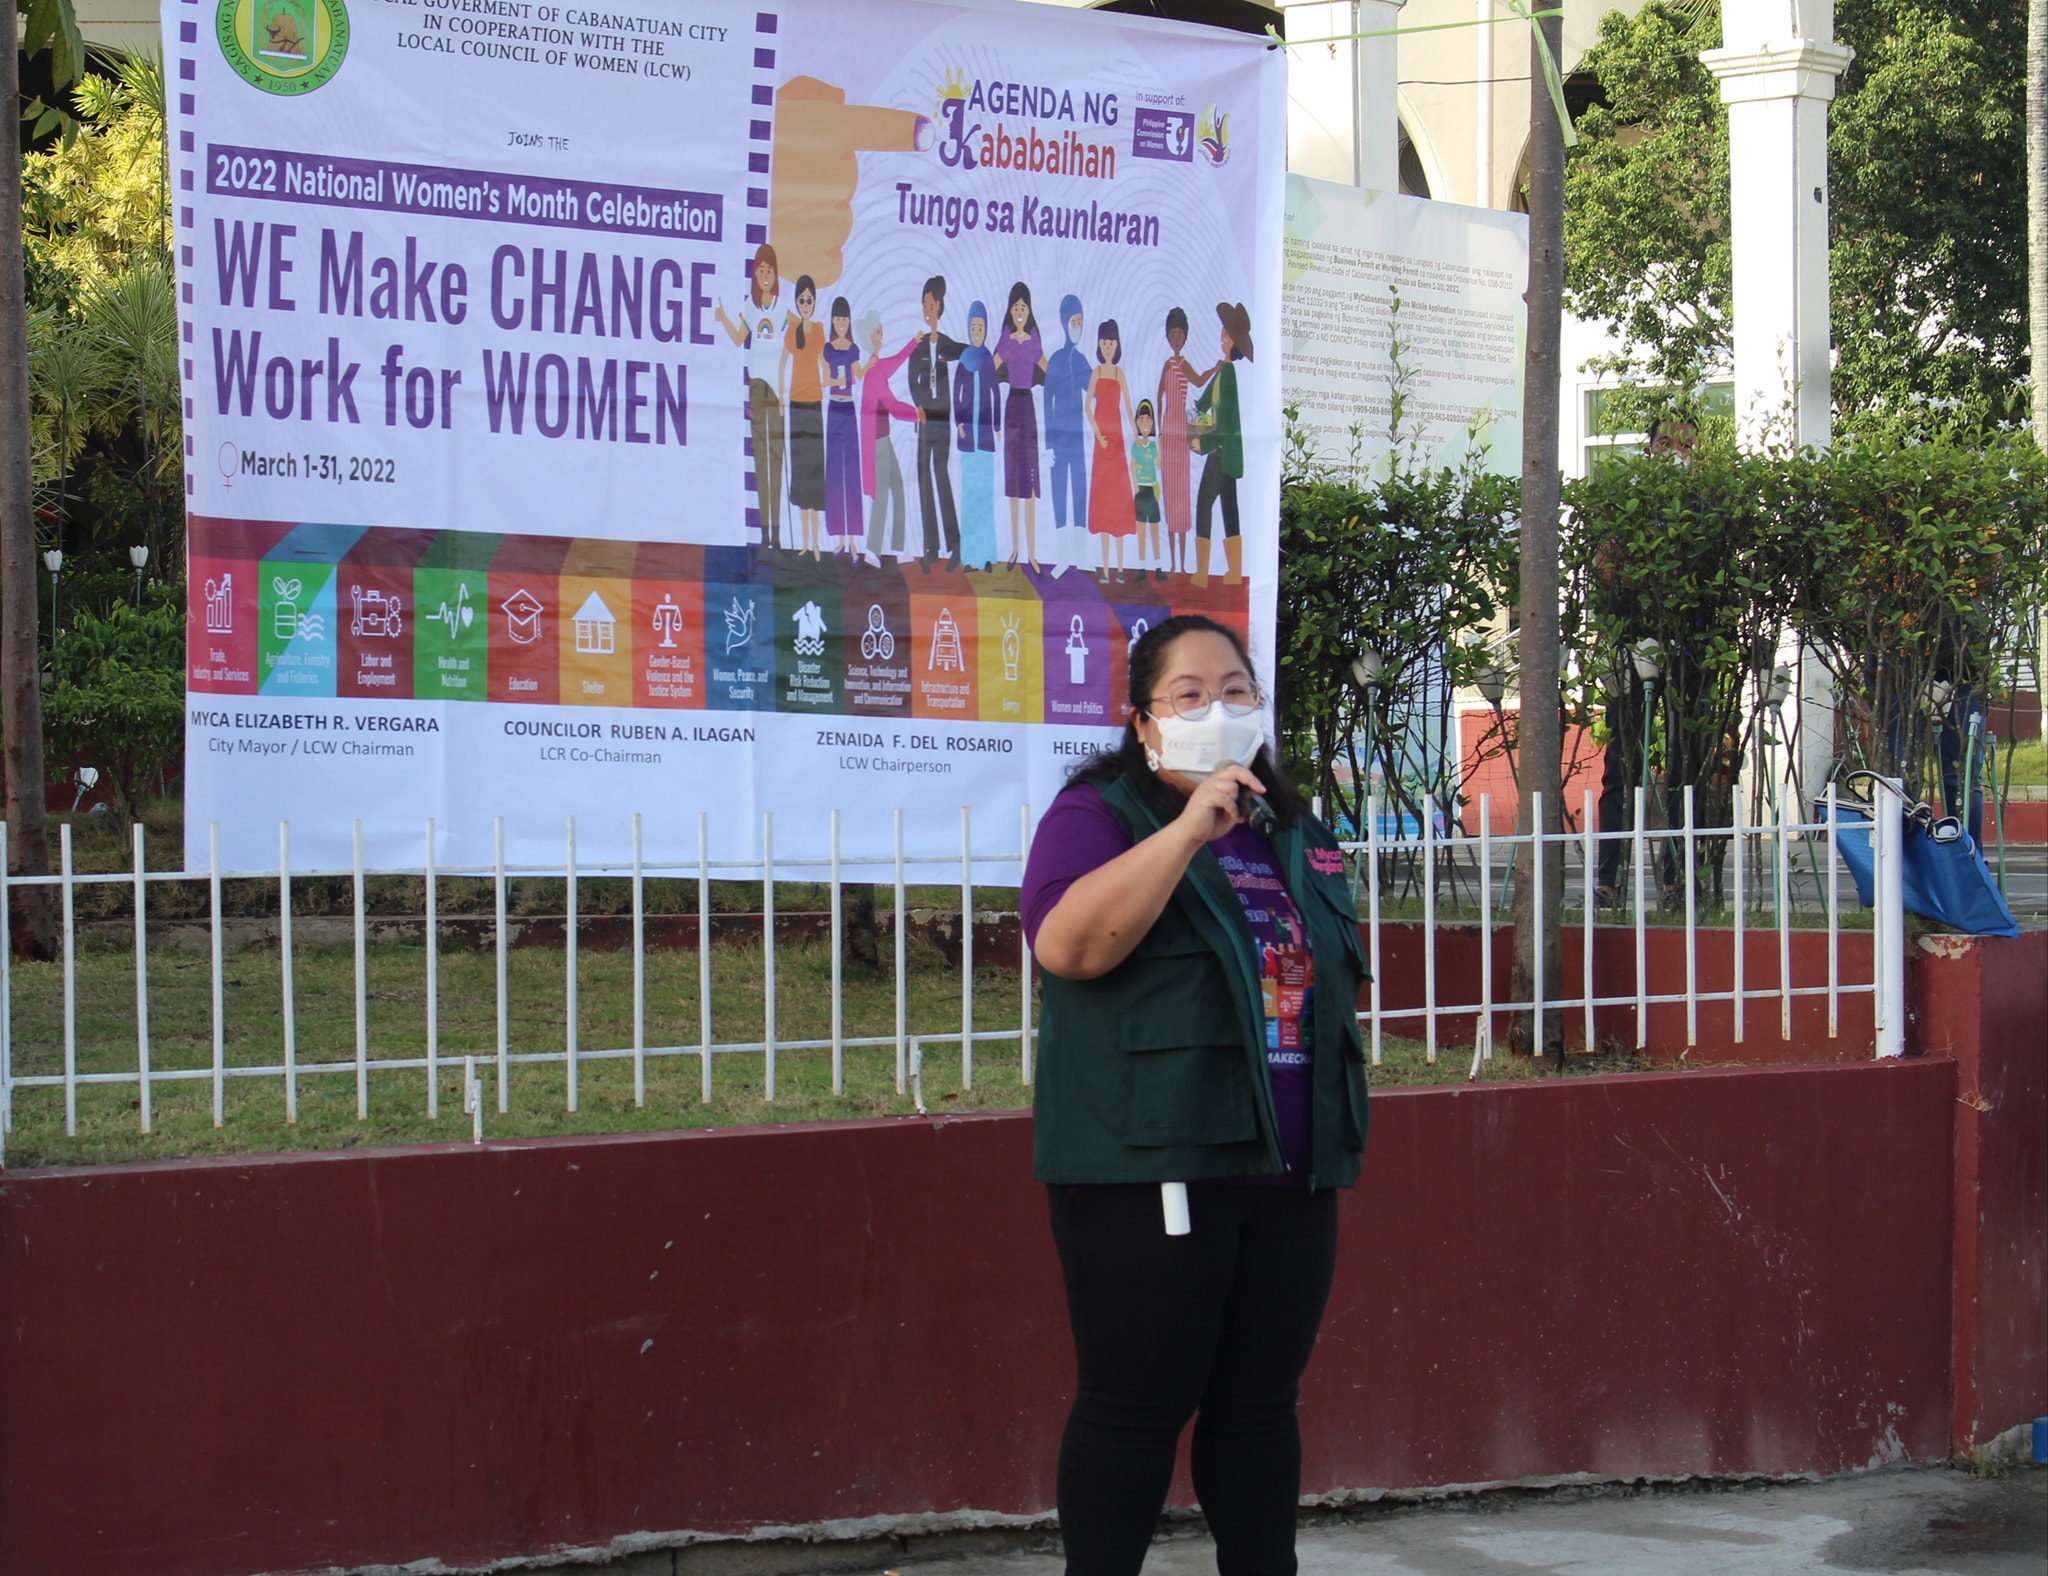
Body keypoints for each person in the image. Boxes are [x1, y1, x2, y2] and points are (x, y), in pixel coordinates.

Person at [1023, 613, 1371, 1576]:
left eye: (1236, 691)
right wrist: (1187, 829)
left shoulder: (1289, 830)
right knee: (1133, 1409)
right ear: (1142, 722)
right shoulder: (1098, 816)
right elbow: (1067, 946)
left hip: (1290, 1172)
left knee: (1260, 1410)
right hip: (1152, 1171)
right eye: (1188, 695)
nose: (1217, 709)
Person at [712, 243, 788, 551]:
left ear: (775, 273)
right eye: (760, 270)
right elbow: (739, 338)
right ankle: (765, 533)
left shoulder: (782, 308)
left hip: (777, 389)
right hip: (756, 386)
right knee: (761, 460)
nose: (765, 275)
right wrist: (723, 318)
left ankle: (776, 533)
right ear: (754, 274)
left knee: (776, 459)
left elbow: (798, 335)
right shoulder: (751, 306)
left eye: (769, 269)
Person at [1189, 302, 1251, 588]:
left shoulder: (1227, 376)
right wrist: (1194, 425)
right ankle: (1234, 573)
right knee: (1229, 508)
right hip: (1227, 455)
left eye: (1226, 333)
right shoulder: (1222, 371)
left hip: (1221, 453)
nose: (1221, 335)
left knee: (1205, 505)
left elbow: (1224, 426)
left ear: (1232, 340)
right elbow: (1202, 405)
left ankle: (1202, 574)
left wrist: (1203, 440)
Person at [907, 274, 965, 572]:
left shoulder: (944, 343)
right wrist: (918, 404)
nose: (926, 310)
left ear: (939, 306)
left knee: (941, 476)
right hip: (924, 420)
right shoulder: (917, 346)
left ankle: (955, 547)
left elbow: (966, 351)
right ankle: (930, 549)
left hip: (942, 420)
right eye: (923, 305)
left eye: (930, 304)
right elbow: (911, 378)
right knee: (923, 478)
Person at [856, 311, 920, 564]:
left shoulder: (877, 365)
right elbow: (893, 405)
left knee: (897, 490)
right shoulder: (872, 372)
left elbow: (897, 360)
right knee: (883, 495)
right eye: (879, 331)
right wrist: (918, 414)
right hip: (877, 442)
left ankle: (897, 547)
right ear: (870, 336)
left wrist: (914, 342)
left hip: (884, 439)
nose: (882, 335)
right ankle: (872, 550)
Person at [996, 281, 1047, 570]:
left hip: (1027, 405)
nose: (1019, 312)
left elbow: (1047, 367)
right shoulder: (1005, 337)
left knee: (1029, 483)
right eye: (1015, 307)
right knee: (1013, 483)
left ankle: (1032, 553)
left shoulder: (1034, 338)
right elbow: (991, 369)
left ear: (1029, 311)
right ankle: (1015, 550)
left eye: (1023, 307)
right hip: (1010, 407)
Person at [1155, 306, 1211, 569]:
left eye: (1180, 333)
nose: (1176, 338)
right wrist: (1157, 431)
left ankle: (1184, 564)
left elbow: (1198, 381)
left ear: (1185, 337)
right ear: (1168, 336)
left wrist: (1215, 369)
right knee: (1169, 495)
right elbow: (1158, 395)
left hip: (1182, 432)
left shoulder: (1183, 363)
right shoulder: (1168, 365)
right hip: (1168, 431)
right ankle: (1173, 563)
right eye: (1173, 333)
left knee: (1182, 497)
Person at [1085, 318, 1138, 583]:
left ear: (1117, 345)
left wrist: (1138, 435)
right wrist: (1098, 435)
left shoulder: (1119, 374)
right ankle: (1104, 570)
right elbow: (1087, 408)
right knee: (1104, 508)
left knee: (1118, 505)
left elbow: (1128, 407)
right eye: (1104, 342)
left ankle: (1119, 569)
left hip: (1117, 443)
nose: (1107, 346)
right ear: (1099, 344)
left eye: (1111, 342)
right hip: (1100, 444)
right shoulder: (1095, 372)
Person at [780, 275, 828, 560]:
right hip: (796, 404)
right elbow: (783, 363)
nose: (806, 304)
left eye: (809, 299)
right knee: (799, 472)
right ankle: (805, 543)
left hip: (815, 405)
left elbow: (824, 363)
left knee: (814, 470)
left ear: (814, 301)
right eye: (801, 300)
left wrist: (834, 381)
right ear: (797, 302)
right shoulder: (792, 330)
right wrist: (781, 398)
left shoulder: (820, 331)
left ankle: (817, 543)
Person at [1044, 293, 1091, 578]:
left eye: (1080, 322)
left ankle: (1082, 556)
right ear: (1064, 324)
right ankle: (1062, 558)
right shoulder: (1056, 360)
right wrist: (1048, 444)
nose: (1077, 327)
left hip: (1078, 439)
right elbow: (1046, 402)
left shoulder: (1082, 359)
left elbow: (1093, 388)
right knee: (1059, 494)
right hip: (1057, 441)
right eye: (1073, 321)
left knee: (1079, 492)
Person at [954, 300, 1002, 572]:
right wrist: (959, 422)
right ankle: (970, 556)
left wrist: (996, 426)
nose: (977, 331)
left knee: (985, 497)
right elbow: (956, 395)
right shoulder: (964, 361)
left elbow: (995, 395)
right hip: (967, 437)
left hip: (984, 438)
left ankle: (986, 557)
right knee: (970, 498)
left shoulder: (987, 361)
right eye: (973, 326)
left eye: (981, 326)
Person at [822, 297, 864, 555]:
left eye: (844, 319)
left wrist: (872, 361)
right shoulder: (827, 348)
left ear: (848, 321)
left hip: (848, 408)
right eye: (837, 319)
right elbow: (825, 379)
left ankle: (853, 540)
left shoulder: (853, 348)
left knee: (851, 471)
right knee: (834, 473)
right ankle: (839, 538)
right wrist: (835, 379)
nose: (840, 323)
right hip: (833, 408)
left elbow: (858, 375)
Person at [1131, 399, 1163, 580]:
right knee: (1141, 531)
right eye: (1141, 419)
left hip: (1152, 490)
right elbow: (1132, 466)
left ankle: (1158, 568)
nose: (1144, 423)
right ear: (1136, 422)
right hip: (1141, 492)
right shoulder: (1135, 446)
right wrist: (1135, 486)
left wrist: (1162, 448)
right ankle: (1142, 569)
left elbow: (1158, 466)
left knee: (1155, 530)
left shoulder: (1153, 446)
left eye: (1148, 420)